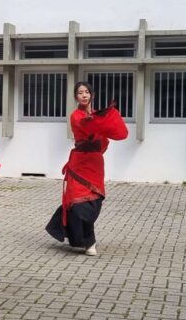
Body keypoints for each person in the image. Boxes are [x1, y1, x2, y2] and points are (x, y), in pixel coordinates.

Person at [45, 81, 128, 256]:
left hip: (95, 164)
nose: (84, 95)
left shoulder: (97, 117)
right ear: (76, 97)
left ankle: (77, 239)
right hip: (79, 164)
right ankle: (90, 242)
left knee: (94, 201)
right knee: (78, 203)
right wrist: (100, 120)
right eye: (80, 92)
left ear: (91, 95)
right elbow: (87, 125)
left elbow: (104, 140)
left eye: (86, 92)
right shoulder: (76, 116)